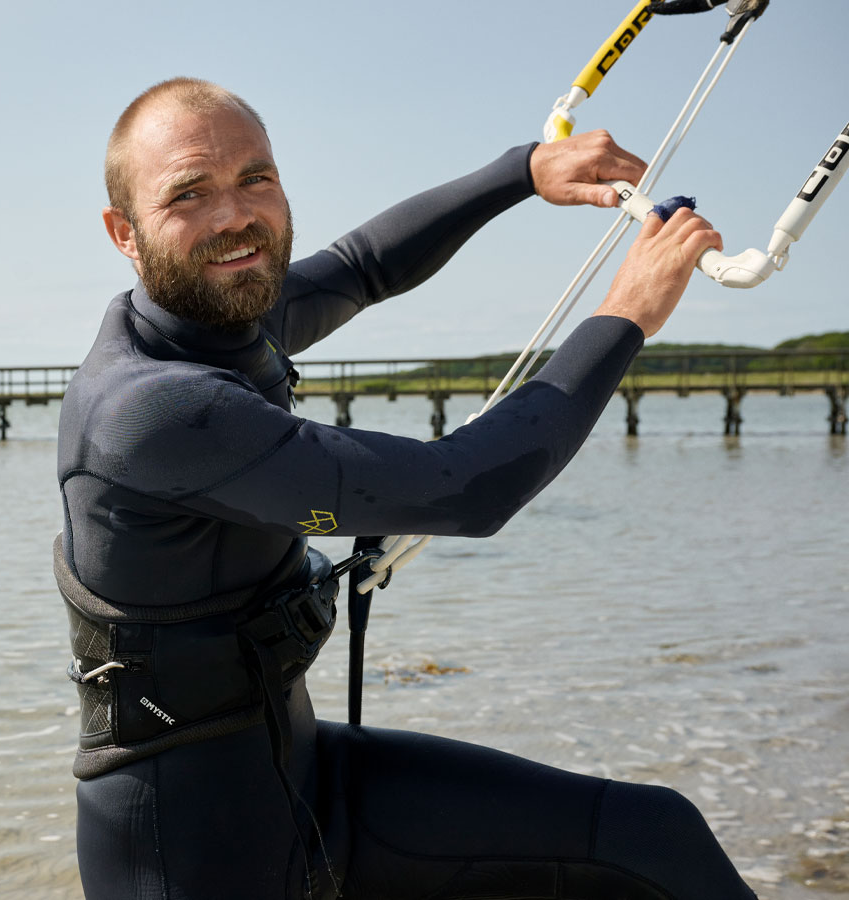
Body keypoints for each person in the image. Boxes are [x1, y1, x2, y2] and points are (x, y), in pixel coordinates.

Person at [55, 77, 756, 900]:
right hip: (190, 851)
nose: (234, 216)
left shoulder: (224, 314)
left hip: (306, 777)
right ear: (124, 233)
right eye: (188, 193)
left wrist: (523, 169)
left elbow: (363, 266)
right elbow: (465, 490)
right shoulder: (149, 409)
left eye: (257, 179)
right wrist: (626, 312)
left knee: (652, 836)